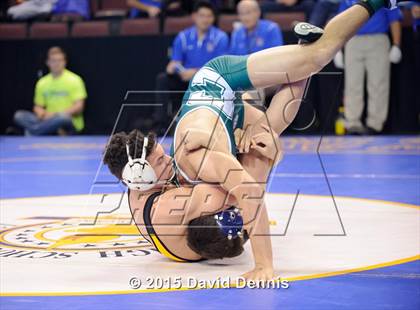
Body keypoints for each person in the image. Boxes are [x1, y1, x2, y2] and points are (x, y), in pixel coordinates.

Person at [104, 0, 400, 282]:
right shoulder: (151, 192)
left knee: (317, 57)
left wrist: (264, 265)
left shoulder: (187, 168)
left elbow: (247, 194)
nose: (166, 158)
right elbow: (254, 184)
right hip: (222, 123)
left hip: (216, 81)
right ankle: (301, 55)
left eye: (159, 154)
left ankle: (373, 4)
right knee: (266, 143)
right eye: (158, 160)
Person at [154, 1, 228, 132]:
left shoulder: (220, 37)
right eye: (202, 15)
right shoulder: (183, 37)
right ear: (194, 16)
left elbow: (220, 67)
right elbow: (176, 61)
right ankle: (161, 125)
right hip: (185, 79)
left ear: (213, 18)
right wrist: (174, 67)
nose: (205, 19)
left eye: (209, 16)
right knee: (163, 79)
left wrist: (195, 73)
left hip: (209, 82)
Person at [334, 0, 402, 134]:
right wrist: (338, 49)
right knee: (352, 84)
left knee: (378, 84)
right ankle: (352, 123)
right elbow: (342, 22)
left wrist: (396, 44)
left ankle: (375, 124)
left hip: (378, 39)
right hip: (353, 41)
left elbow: (394, 20)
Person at [14, 47, 87, 136]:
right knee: (19, 116)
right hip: (47, 119)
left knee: (62, 118)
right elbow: (38, 106)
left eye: (60, 60)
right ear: (48, 62)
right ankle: (45, 130)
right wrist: (41, 113)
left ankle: (34, 131)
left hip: (66, 120)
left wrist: (54, 115)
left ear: (65, 62)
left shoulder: (75, 79)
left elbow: (79, 107)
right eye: (54, 60)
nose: (57, 63)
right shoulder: (42, 82)